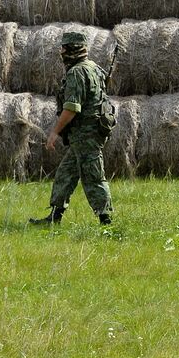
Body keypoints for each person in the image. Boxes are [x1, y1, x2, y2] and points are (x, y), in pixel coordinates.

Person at [30, 31, 114, 226]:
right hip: (86, 134)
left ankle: (106, 222)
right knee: (65, 175)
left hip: (86, 135)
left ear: (71, 50)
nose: (61, 52)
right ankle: (54, 218)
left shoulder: (77, 72)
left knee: (93, 176)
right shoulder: (94, 67)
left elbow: (71, 108)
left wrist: (54, 131)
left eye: (64, 48)